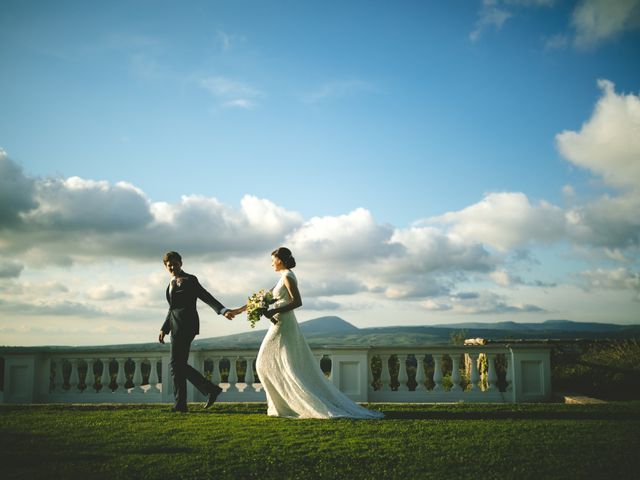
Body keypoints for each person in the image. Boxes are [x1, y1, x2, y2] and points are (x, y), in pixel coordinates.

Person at [230, 247, 384, 419]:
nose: (271, 263)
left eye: (272, 259)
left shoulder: (288, 276)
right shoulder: (282, 278)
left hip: (283, 323)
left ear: (279, 259)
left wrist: (274, 311)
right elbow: (263, 298)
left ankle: (293, 403)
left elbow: (297, 301)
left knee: (263, 362)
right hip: (279, 322)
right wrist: (238, 310)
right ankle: (283, 405)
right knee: (271, 363)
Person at [159, 251, 235, 413]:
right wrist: (164, 328)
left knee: (175, 364)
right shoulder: (170, 284)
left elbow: (205, 296)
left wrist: (222, 310)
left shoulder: (189, 280)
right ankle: (183, 403)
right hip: (175, 327)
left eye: (175, 263)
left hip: (186, 326)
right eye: (169, 265)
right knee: (177, 366)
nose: (172, 267)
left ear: (181, 263)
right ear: (165, 267)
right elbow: (172, 309)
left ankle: (206, 391)